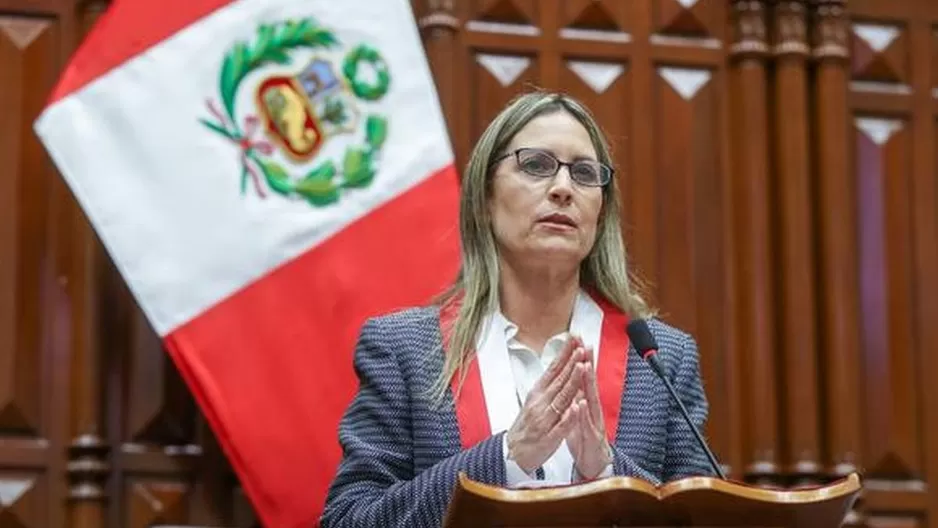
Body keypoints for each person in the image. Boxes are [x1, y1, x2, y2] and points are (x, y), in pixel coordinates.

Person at [320, 91, 715, 528]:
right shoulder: (405, 349)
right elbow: (348, 519)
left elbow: (700, 519)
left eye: (584, 173)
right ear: (485, 199)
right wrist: (507, 456)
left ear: (600, 215)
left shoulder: (662, 358)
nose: (563, 188)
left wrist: (607, 472)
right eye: (536, 165)